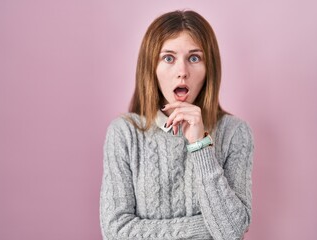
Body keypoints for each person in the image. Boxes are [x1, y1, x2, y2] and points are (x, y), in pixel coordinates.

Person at [99, 9, 254, 240]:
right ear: (151, 67)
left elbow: (231, 232)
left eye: (194, 58)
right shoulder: (124, 133)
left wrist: (200, 145)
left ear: (209, 68)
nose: (182, 72)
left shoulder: (235, 133)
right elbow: (116, 232)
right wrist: (205, 229)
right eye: (168, 58)